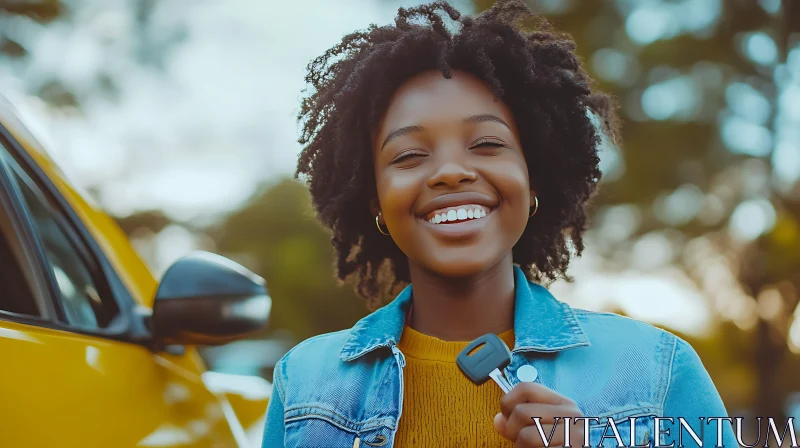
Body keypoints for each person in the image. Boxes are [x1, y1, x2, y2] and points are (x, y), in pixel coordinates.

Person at [262, 1, 736, 446]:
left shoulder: (654, 371)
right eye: (408, 155)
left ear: (534, 180)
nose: (451, 171)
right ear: (376, 203)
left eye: (487, 144)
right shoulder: (305, 383)